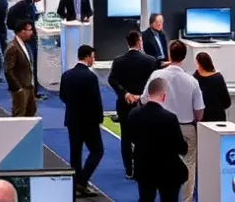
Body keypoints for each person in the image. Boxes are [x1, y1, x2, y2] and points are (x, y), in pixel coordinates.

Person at [141, 41, 204, 202]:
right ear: (184, 57)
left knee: (156, 161)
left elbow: (144, 100)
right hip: (186, 128)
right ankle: (186, 200)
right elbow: (199, 112)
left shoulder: (157, 75)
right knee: (189, 164)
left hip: (158, 127)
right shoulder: (192, 81)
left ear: (169, 54)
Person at [108, 30, 160, 179]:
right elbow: (154, 82)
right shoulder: (150, 61)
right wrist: (142, 96)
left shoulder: (118, 61)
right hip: (144, 104)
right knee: (145, 136)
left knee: (126, 136)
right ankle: (142, 167)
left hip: (125, 104)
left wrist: (125, 94)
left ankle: (129, 169)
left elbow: (112, 80)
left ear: (128, 43)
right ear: (139, 42)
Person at [129, 77, 189, 202]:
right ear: (164, 96)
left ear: (148, 93)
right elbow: (181, 147)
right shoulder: (169, 118)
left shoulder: (134, 114)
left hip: (144, 167)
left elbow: (132, 137)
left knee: (145, 198)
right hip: (167, 170)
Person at [59, 45, 104, 198]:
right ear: (87, 57)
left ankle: (75, 183)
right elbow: (96, 100)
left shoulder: (67, 75)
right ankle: (82, 181)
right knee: (97, 150)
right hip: (89, 122)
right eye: (93, 56)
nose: (94, 60)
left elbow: (63, 96)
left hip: (72, 120)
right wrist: (99, 118)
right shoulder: (91, 77)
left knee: (75, 154)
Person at [6, 0, 45, 99]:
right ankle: (33, 92)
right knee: (31, 64)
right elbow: (26, 20)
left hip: (25, 38)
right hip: (28, 39)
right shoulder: (26, 5)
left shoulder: (25, 5)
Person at [5, 20, 37, 117]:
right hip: (21, 88)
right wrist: (17, 88)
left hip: (29, 86)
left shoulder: (26, 45)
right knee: (19, 115)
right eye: (30, 30)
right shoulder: (13, 47)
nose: (32, 32)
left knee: (31, 111)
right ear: (22, 31)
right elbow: (8, 70)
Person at [193, 52, 231, 123]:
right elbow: (226, 102)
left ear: (199, 65)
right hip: (218, 118)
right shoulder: (218, 78)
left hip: (202, 119)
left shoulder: (195, 79)